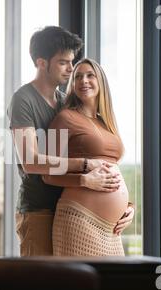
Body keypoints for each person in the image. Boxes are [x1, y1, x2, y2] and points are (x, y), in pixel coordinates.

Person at [7, 26, 122, 256]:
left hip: (69, 207)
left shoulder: (64, 101)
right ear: (41, 63)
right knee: (42, 286)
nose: (71, 69)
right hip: (39, 209)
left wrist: (124, 207)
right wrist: (86, 166)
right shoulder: (23, 99)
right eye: (63, 62)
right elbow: (31, 161)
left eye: (72, 61)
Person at [43, 58, 135, 256]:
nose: (83, 81)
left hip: (111, 231)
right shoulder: (63, 118)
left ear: (101, 81)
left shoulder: (106, 123)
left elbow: (112, 171)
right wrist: (84, 181)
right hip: (79, 221)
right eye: (78, 77)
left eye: (90, 75)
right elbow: (46, 173)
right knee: (80, 287)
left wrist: (128, 207)